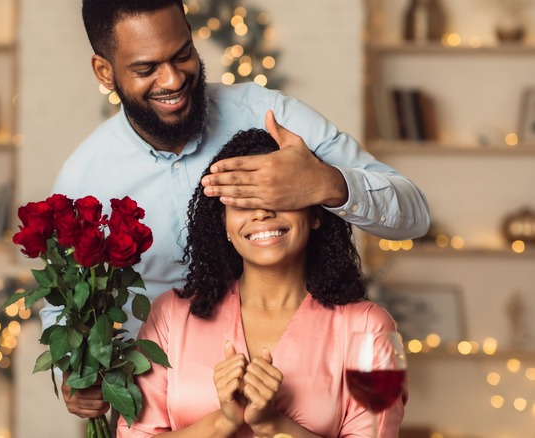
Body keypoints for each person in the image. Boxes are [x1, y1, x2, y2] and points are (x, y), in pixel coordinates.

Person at [43, 0, 427, 421]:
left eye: (182, 53)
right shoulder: (85, 179)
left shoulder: (272, 118)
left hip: (303, 392)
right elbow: (65, 301)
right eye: (146, 68)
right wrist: (75, 373)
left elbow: (413, 213)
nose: (172, 79)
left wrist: (324, 182)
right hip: (160, 410)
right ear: (104, 71)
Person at [117, 128, 406, 437]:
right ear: (224, 224)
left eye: (279, 194)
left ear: (316, 215)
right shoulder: (170, 316)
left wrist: (272, 424)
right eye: (242, 200)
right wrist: (223, 421)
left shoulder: (370, 328)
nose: (261, 212)